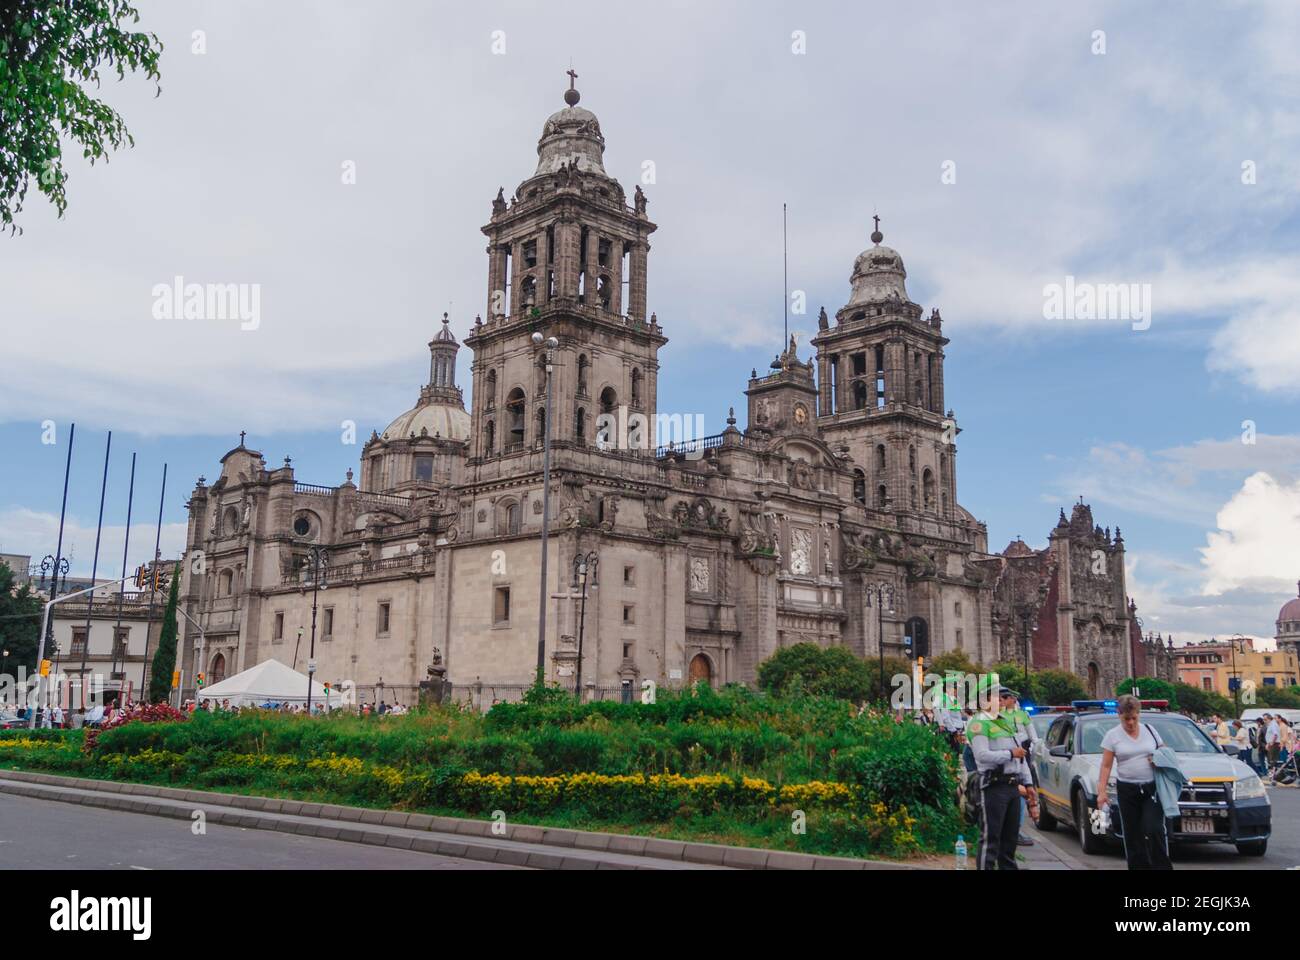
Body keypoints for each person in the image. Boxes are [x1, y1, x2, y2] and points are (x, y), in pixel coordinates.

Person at [1097, 695, 1171, 870]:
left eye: (1134, 718)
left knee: (1154, 829)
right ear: (1119, 715)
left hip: (1151, 788)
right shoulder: (1112, 736)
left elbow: (1164, 751)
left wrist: (1158, 758)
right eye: (1126, 719)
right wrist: (1102, 792)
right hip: (1127, 789)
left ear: (1139, 714)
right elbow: (1106, 766)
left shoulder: (1150, 730)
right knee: (1132, 833)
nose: (1130, 723)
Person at [967, 686, 1036, 870]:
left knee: (1009, 843)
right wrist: (1009, 753)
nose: (1000, 701)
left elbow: (1021, 756)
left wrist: (1028, 783)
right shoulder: (979, 723)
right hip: (993, 785)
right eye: (996, 698)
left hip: (1013, 786)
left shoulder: (1004, 722)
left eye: (1001, 698)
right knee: (990, 840)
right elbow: (982, 755)